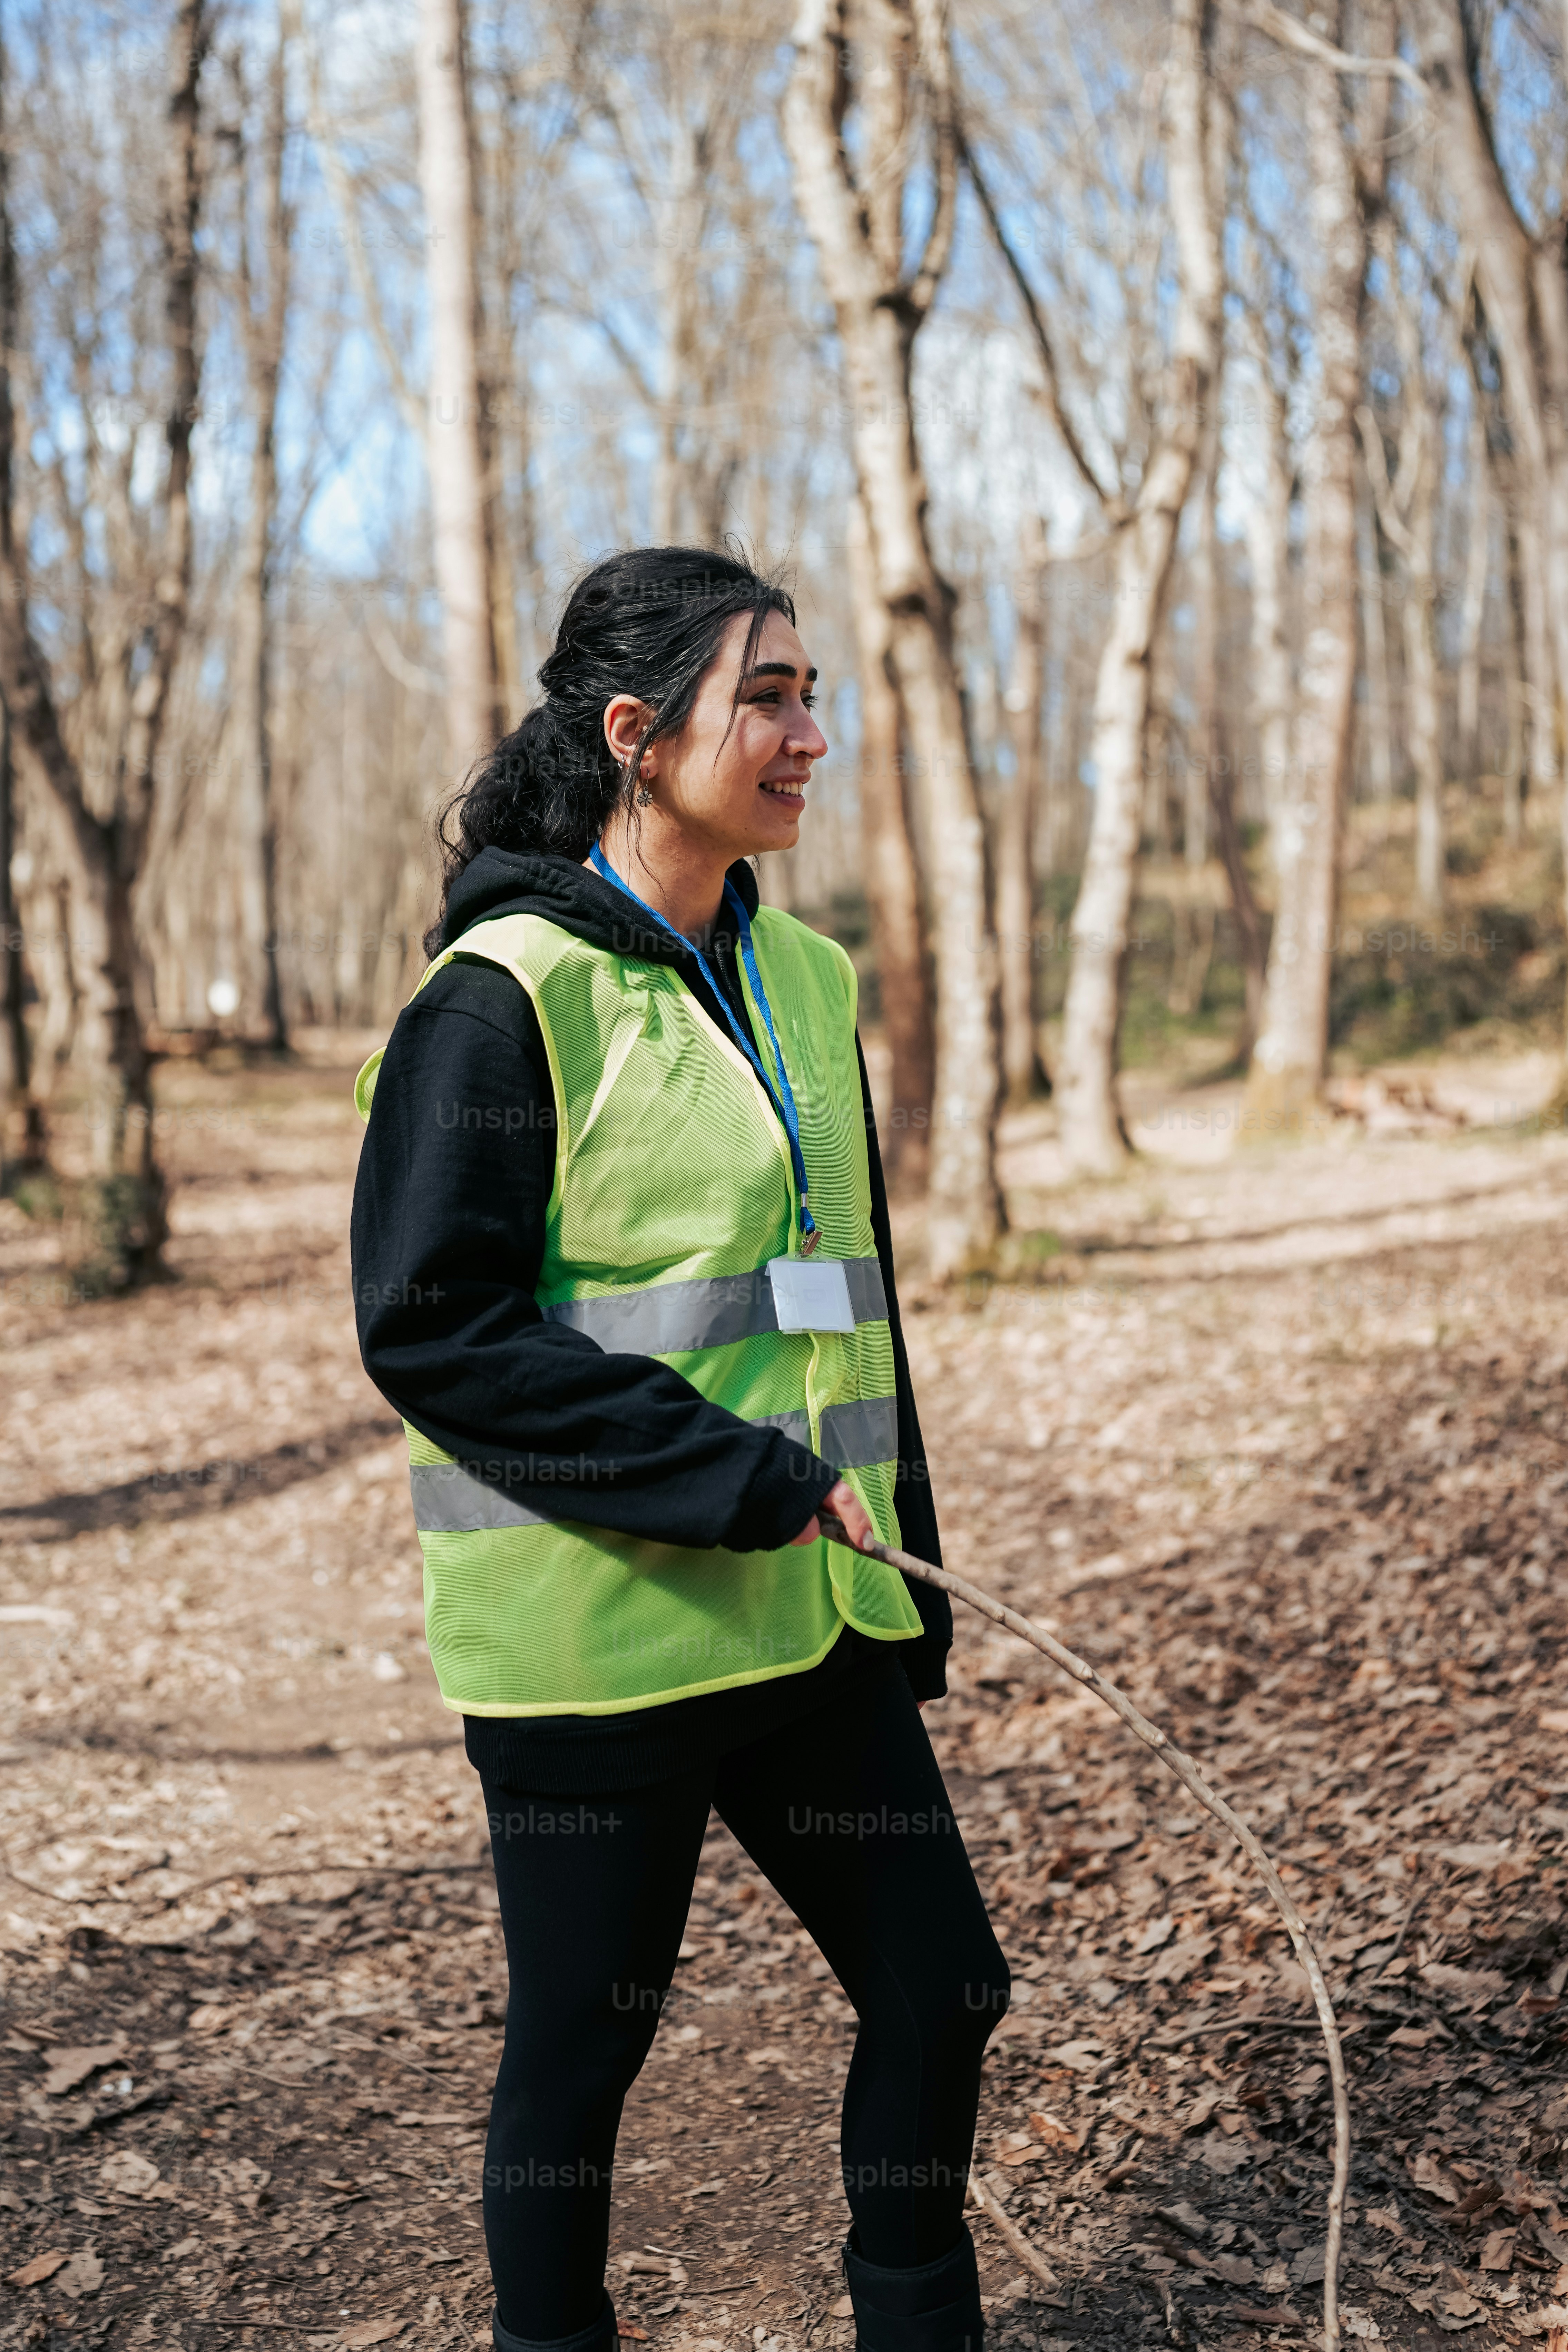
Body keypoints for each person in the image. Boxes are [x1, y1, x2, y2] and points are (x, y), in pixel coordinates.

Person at [350, 546, 1009, 2352]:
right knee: (585, 2066)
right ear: (641, 737)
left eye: (812, 692)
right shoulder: (505, 994)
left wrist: (900, 1577)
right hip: (600, 1647)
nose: (812, 732)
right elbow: (434, 1324)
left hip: (806, 1616)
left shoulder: (802, 974)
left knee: (944, 1984)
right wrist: (732, 1478)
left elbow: (843, 1302)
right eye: (768, 698)